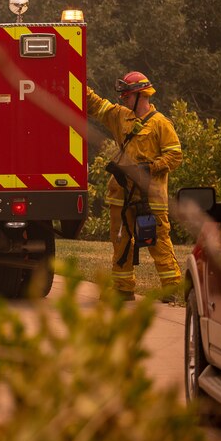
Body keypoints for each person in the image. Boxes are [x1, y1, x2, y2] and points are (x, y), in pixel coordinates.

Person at [87, 71, 183, 301]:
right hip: (122, 195)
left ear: (141, 95)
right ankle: (123, 289)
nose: (123, 100)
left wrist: (151, 168)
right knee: (121, 242)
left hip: (151, 197)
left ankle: (171, 289)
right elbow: (96, 105)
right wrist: (77, 83)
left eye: (127, 96)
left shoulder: (161, 124)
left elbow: (175, 155)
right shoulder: (120, 116)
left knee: (158, 241)